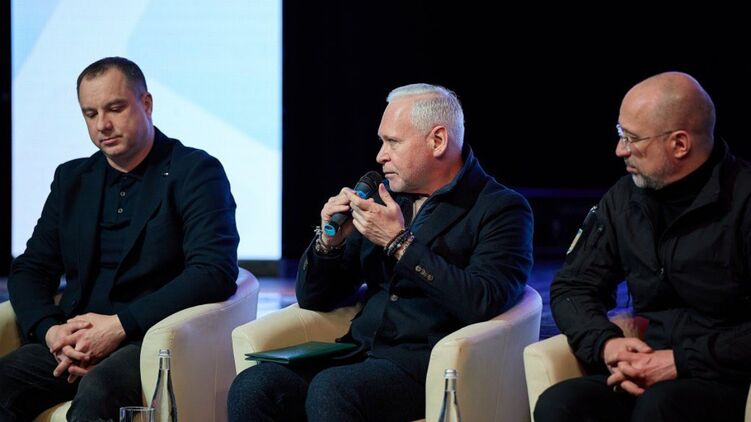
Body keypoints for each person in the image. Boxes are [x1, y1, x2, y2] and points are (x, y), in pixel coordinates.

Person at [227, 83, 534, 421]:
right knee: (254, 386)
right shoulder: (386, 197)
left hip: (425, 366)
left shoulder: (500, 209)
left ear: (437, 141)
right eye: (382, 141)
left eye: (393, 142)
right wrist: (330, 243)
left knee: (333, 390)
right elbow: (316, 298)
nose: (380, 155)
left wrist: (399, 243)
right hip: (359, 353)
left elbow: (483, 299)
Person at [0, 57, 239, 421]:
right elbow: (30, 269)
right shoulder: (72, 179)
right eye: (90, 114)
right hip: (73, 341)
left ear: (147, 104)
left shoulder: (195, 172)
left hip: (144, 339)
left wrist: (118, 325)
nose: (102, 125)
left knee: (97, 394)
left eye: (114, 108)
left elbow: (213, 271)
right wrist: (52, 331)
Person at [535, 72, 751, 422]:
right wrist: (607, 343)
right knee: (560, 404)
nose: (619, 150)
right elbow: (573, 287)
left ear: (679, 144)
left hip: (725, 376)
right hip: (647, 369)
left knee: (661, 407)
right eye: (620, 134)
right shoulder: (623, 199)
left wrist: (680, 361)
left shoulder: (743, 200)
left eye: (631, 139)